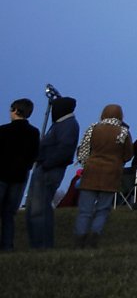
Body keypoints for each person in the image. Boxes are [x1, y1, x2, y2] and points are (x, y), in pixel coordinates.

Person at [74, 104, 133, 248]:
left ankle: (80, 239)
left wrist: (86, 163)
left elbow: (83, 151)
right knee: (103, 209)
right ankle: (94, 236)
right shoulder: (123, 132)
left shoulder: (93, 129)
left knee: (85, 210)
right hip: (111, 173)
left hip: (91, 172)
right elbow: (128, 155)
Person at [25, 96, 79, 249]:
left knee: (38, 209)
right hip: (47, 167)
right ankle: (39, 243)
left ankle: (40, 244)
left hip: (49, 170)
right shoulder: (62, 124)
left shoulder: (67, 125)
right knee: (39, 208)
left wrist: (47, 164)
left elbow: (65, 148)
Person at [0, 98, 40, 251]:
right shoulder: (34, 133)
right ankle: (7, 246)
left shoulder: (3, 131)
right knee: (9, 215)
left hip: (2, 175)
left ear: (16, 110)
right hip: (20, 177)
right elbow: (34, 154)